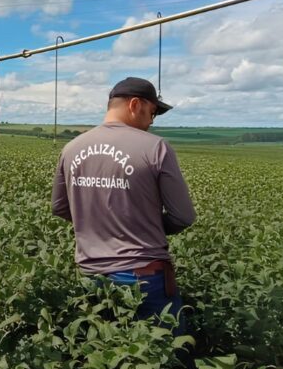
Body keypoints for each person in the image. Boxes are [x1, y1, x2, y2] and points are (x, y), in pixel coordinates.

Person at [51, 76, 196, 332]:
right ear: (135, 105)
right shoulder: (156, 148)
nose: (151, 122)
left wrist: (98, 223)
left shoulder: (72, 148)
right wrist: (144, 226)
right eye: (152, 113)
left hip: (90, 274)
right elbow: (183, 216)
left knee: (102, 347)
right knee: (163, 350)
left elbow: (59, 207)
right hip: (143, 276)